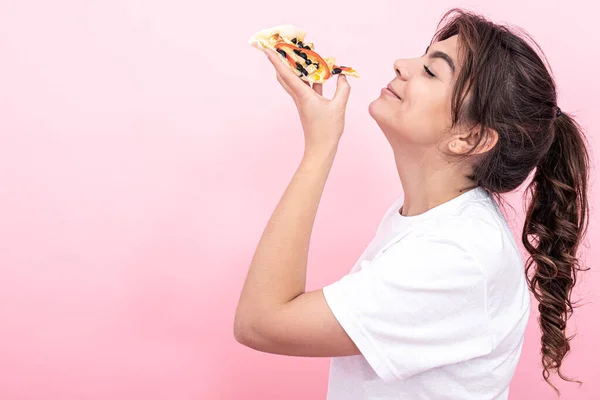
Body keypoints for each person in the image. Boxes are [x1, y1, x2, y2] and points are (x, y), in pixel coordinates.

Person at [233, 8, 590, 399]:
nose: (401, 65)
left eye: (432, 71)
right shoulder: (429, 220)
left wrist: (320, 147)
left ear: (470, 139)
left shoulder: (456, 259)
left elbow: (260, 323)